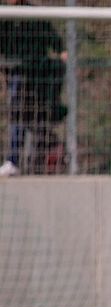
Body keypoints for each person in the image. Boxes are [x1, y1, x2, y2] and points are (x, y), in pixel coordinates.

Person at [0, 0, 68, 176]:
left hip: (37, 74)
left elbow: (52, 37)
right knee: (21, 115)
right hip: (16, 72)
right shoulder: (4, 14)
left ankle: (21, 159)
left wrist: (62, 52)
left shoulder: (34, 14)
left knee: (27, 114)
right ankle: (23, 157)